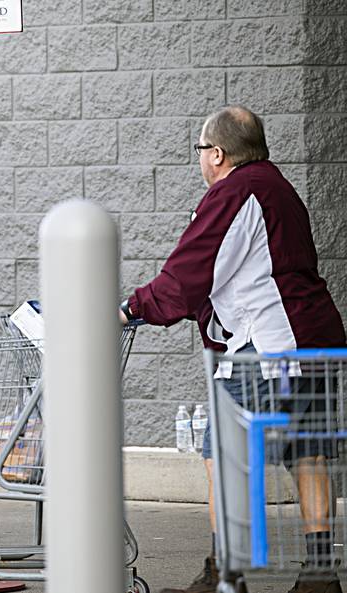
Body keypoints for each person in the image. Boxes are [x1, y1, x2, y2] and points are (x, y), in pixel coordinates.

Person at [120, 106, 346, 593]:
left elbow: (188, 276)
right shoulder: (279, 190)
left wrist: (127, 308)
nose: (200, 160)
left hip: (268, 345)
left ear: (217, 154)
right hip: (315, 339)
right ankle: (320, 575)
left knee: (221, 451)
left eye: (201, 151)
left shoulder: (233, 193)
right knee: (309, 453)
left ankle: (226, 574)